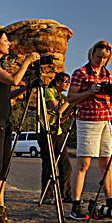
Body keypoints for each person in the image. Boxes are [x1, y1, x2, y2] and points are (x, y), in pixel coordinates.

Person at [0, 29, 39, 223]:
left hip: (4, 120)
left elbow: (9, 92)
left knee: (4, 167)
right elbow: (13, 80)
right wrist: (28, 61)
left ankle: (0, 207)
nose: (9, 43)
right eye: (5, 40)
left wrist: (28, 86)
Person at [66, 40, 112, 220]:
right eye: (99, 56)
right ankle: (76, 206)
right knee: (83, 164)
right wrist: (89, 91)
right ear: (91, 54)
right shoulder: (80, 73)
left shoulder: (109, 75)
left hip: (106, 122)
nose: (101, 60)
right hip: (87, 122)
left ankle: (110, 202)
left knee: (107, 164)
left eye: (105, 57)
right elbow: (70, 98)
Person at [37, 72, 73, 205]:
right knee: (49, 165)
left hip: (58, 132)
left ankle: (66, 194)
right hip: (46, 132)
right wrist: (69, 100)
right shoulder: (49, 92)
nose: (67, 84)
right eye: (65, 81)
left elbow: (60, 117)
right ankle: (47, 195)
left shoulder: (60, 96)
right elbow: (57, 110)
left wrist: (68, 114)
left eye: (68, 82)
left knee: (65, 165)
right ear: (57, 82)